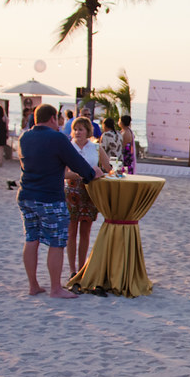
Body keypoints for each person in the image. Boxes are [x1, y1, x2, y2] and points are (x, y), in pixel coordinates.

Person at [17, 105, 103, 298]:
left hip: (26, 195)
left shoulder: (24, 137)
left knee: (32, 239)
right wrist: (92, 174)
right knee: (56, 242)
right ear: (53, 119)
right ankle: (55, 288)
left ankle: (33, 286)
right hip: (49, 197)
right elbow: (77, 163)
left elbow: (24, 163)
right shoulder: (57, 138)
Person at [65, 116, 110, 276]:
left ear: (87, 131)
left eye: (81, 129)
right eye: (75, 129)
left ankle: (82, 268)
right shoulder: (68, 147)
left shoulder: (96, 148)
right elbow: (63, 173)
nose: (77, 132)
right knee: (71, 232)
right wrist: (81, 174)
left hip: (90, 191)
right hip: (72, 191)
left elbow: (108, 168)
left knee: (85, 232)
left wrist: (99, 174)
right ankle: (72, 269)